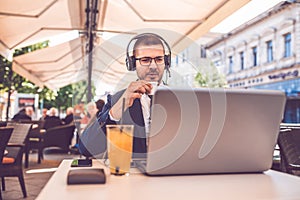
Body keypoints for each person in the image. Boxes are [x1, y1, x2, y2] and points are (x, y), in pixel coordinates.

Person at [79, 33, 171, 158]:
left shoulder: (180, 99)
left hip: (174, 174)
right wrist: (118, 109)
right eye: (145, 60)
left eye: (159, 59)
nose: (153, 66)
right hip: (133, 175)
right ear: (133, 64)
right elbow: (86, 148)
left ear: (166, 62)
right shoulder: (118, 99)